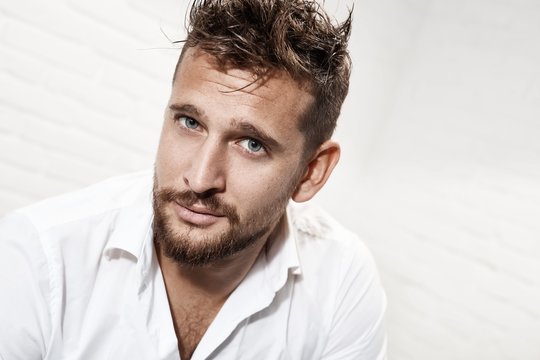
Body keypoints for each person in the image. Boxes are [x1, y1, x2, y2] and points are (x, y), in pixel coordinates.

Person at [0, 0, 386, 359]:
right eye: (190, 122)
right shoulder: (38, 260)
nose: (200, 179)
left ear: (311, 172)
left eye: (251, 144)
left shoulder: (341, 282)